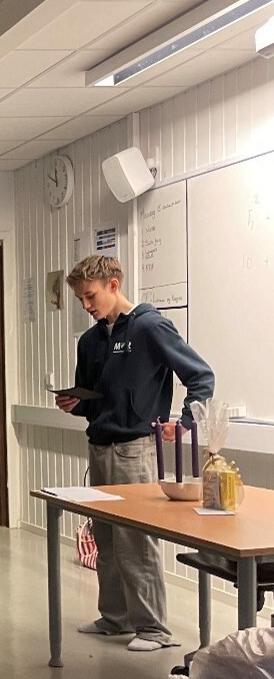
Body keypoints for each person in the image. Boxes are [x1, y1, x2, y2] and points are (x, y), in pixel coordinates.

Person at [59, 254, 215, 651]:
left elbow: (200, 376)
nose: (86, 305)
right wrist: (75, 403)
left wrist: (185, 421)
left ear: (113, 285)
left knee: (135, 540)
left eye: (91, 296)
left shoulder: (150, 326)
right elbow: (93, 400)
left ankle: (153, 629)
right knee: (106, 538)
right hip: (99, 446)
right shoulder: (90, 341)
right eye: (80, 299)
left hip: (135, 450)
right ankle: (116, 618)